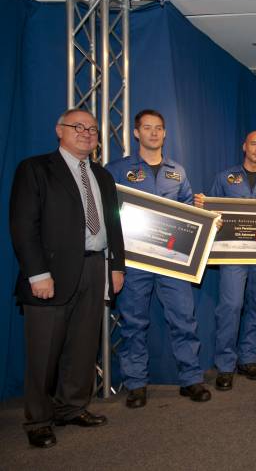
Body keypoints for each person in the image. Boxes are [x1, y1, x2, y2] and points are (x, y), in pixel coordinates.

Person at [10, 108, 125, 448]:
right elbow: (22, 225)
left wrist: (116, 266)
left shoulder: (102, 176)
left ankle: (73, 407)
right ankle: (39, 419)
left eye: (92, 128)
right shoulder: (35, 169)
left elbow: (113, 224)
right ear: (59, 130)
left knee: (83, 347)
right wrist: (37, 273)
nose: (87, 133)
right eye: (78, 127)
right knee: (44, 353)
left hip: (94, 269)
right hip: (50, 274)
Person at [106, 109, 211, 407]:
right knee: (134, 322)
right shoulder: (117, 170)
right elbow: (108, 215)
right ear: (136, 133)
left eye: (159, 128)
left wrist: (201, 211)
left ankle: (190, 378)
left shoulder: (177, 171)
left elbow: (189, 211)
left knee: (184, 319)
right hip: (135, 261)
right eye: (147, 128)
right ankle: (136, 383)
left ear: (165, 133)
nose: (153, 133)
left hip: (172, 261)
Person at [194, 131, 256, 391]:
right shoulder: (225, 178)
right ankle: (226, 364)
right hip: (232, 255)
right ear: (244, 146)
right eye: (254, 144)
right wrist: (204, 206)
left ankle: (248, 357)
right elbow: (210, 213)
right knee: (231, 306)